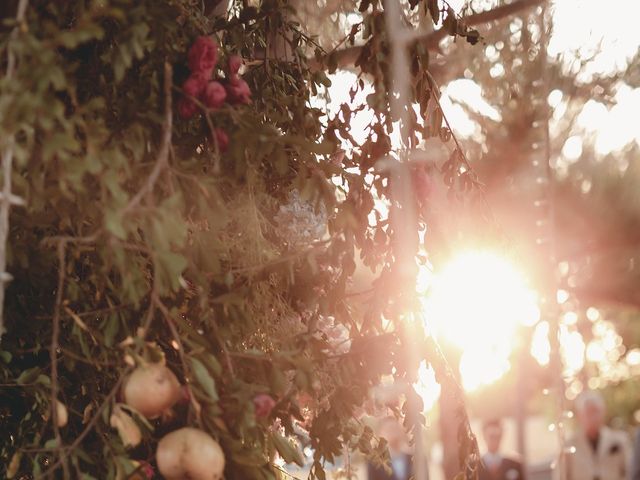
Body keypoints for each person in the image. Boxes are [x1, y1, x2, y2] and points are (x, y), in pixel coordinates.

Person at [556, 390, 630, 480]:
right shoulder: (569, 445)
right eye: (588, 413)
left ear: (603, 412)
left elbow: (629, 473)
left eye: (596, 411)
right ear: (580, 415)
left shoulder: (620, 440)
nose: (593, 417)